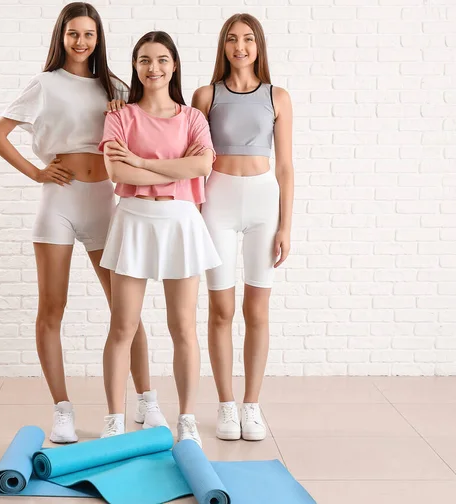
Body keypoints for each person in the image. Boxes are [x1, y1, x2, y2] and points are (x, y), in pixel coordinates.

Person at [0, 2, 166, 444]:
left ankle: (147, 400)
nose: (81, 42)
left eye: (89, 34)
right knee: (52, 308)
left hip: (105, 203)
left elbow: (152, 128)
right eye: (73, 34)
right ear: (61, 37)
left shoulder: (116, 87)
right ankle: (62, 409)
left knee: (125, 311)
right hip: (59, 203)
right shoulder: (45, 84)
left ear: (98, 38)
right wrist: (36, 171)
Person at [98, 31, 220, 447]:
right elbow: (119, 174)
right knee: (122, 326)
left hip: (182, 222)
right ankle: (114, 418)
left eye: (162, 59)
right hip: (134, 220)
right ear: (135, 66)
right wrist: (171, 167)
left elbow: (202, 166)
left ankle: (186, 418)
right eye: (145, 60)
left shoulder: (192, 118)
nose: (154, 68)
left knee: (183, 326)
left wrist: (142, 160)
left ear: (174, 65)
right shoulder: (119, 115)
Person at [192, 13, 294, 441]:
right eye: (232, 39)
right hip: (217, 202)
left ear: (259, 46)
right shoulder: (205, 95)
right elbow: (193, 159)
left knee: (257, 309)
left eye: (248, 39)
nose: (240, 47)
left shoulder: (278, 96)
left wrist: (286, 225)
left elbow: (286, 167)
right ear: (223, 46)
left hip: (263, 203)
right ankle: (226, 405)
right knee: (221, 309)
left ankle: (252, 405)